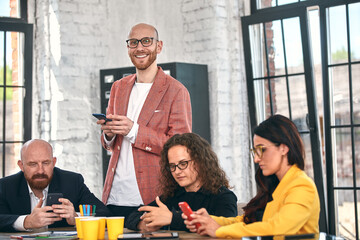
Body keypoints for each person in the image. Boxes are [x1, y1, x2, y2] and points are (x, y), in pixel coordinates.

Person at [96, 23, 192, 218]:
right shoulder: (118, 87)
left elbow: (181, 148)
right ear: (128, 48)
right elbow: (110, 145)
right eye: (133, 42)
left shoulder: (176, 91)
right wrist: (108, 134)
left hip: (153, 197)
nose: (139, 48)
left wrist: (134, 130)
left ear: (159, 46)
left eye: (146, 41)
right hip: (115, 197)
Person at [183, 115, 320, 238]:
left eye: (262, 149)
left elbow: (277, 228)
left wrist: (218, 230)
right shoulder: (276, 184)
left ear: (283, 148)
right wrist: (210, 221)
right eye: (255, 151)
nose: (256, 159)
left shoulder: (302, 186)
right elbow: (248, 220)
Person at [126, 133, 238, 232]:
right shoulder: (173, 196)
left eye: (183, 163)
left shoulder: (224, 196)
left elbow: (226, 229)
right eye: (172, 166)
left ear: (201, 161)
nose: (177, 171)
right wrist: (144, 224)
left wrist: (172, 218)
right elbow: (133, 216)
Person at [0, 139, 111, 232]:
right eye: (33, 164)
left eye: (46, 163)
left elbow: (105, 215)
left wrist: (76, 218)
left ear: (53, 162)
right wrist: (27, 221)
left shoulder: (72, 182)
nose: (40, 170)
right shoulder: (5, 186)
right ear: (21, 165)